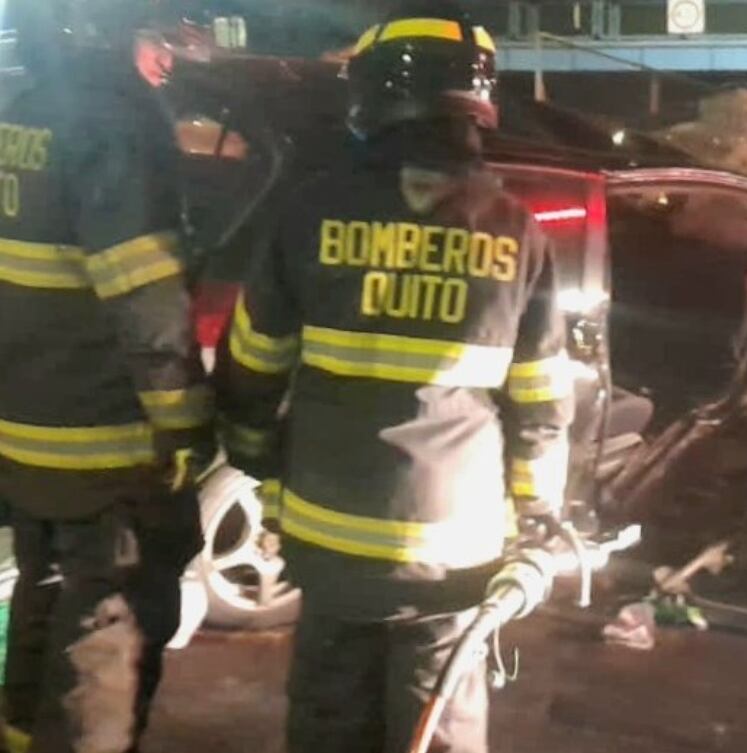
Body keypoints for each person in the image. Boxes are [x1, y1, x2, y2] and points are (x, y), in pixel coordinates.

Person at [213, 2, 573, 751]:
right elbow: (542, 406)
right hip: (454, 553)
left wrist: (256, 455)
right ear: (477, 102)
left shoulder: (308, 213)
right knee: (433, 723)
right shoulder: (518, 233)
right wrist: (538, 514)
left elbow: (252, 367)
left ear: (371, 94)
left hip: (328, 539)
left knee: (329, 719)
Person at [0, 1, 215, 751]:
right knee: (109, 629)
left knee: (43, 596)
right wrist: (185, 421)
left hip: (26, 428)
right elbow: (145, 298)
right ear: (106, 33)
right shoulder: (115, 128)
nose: (165, 61)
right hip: (104, 441)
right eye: (152, 41)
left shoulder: (20, 114)